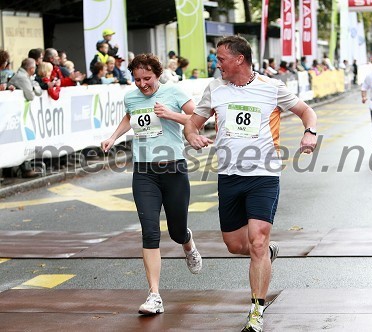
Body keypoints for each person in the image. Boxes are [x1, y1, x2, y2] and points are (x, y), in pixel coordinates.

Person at [183, 35, 317, 332]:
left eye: (220, 59)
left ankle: (256, 310)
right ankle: (267, 253)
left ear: (239, 59)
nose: (216, 64)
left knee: (257, 240)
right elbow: (192, 123)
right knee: (234, 245)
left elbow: (307, 111)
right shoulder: (215, 89)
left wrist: (310, 132)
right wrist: (192, 136)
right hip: (229, 176)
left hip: (264, 174)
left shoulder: (272, 87)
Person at [101, 53, 202, 315]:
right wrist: (113, 137)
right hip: (144, 171)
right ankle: (154, 295)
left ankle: (187, 243)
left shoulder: (174, 92)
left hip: (173, 167)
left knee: (177, 230)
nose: (143, 84)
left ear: (157, 75)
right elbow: (130, 116)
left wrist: (170, 114)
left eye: (147, 79)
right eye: (137, 80)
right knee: (149, 232)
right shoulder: (132, 96)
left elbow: (198, 119)